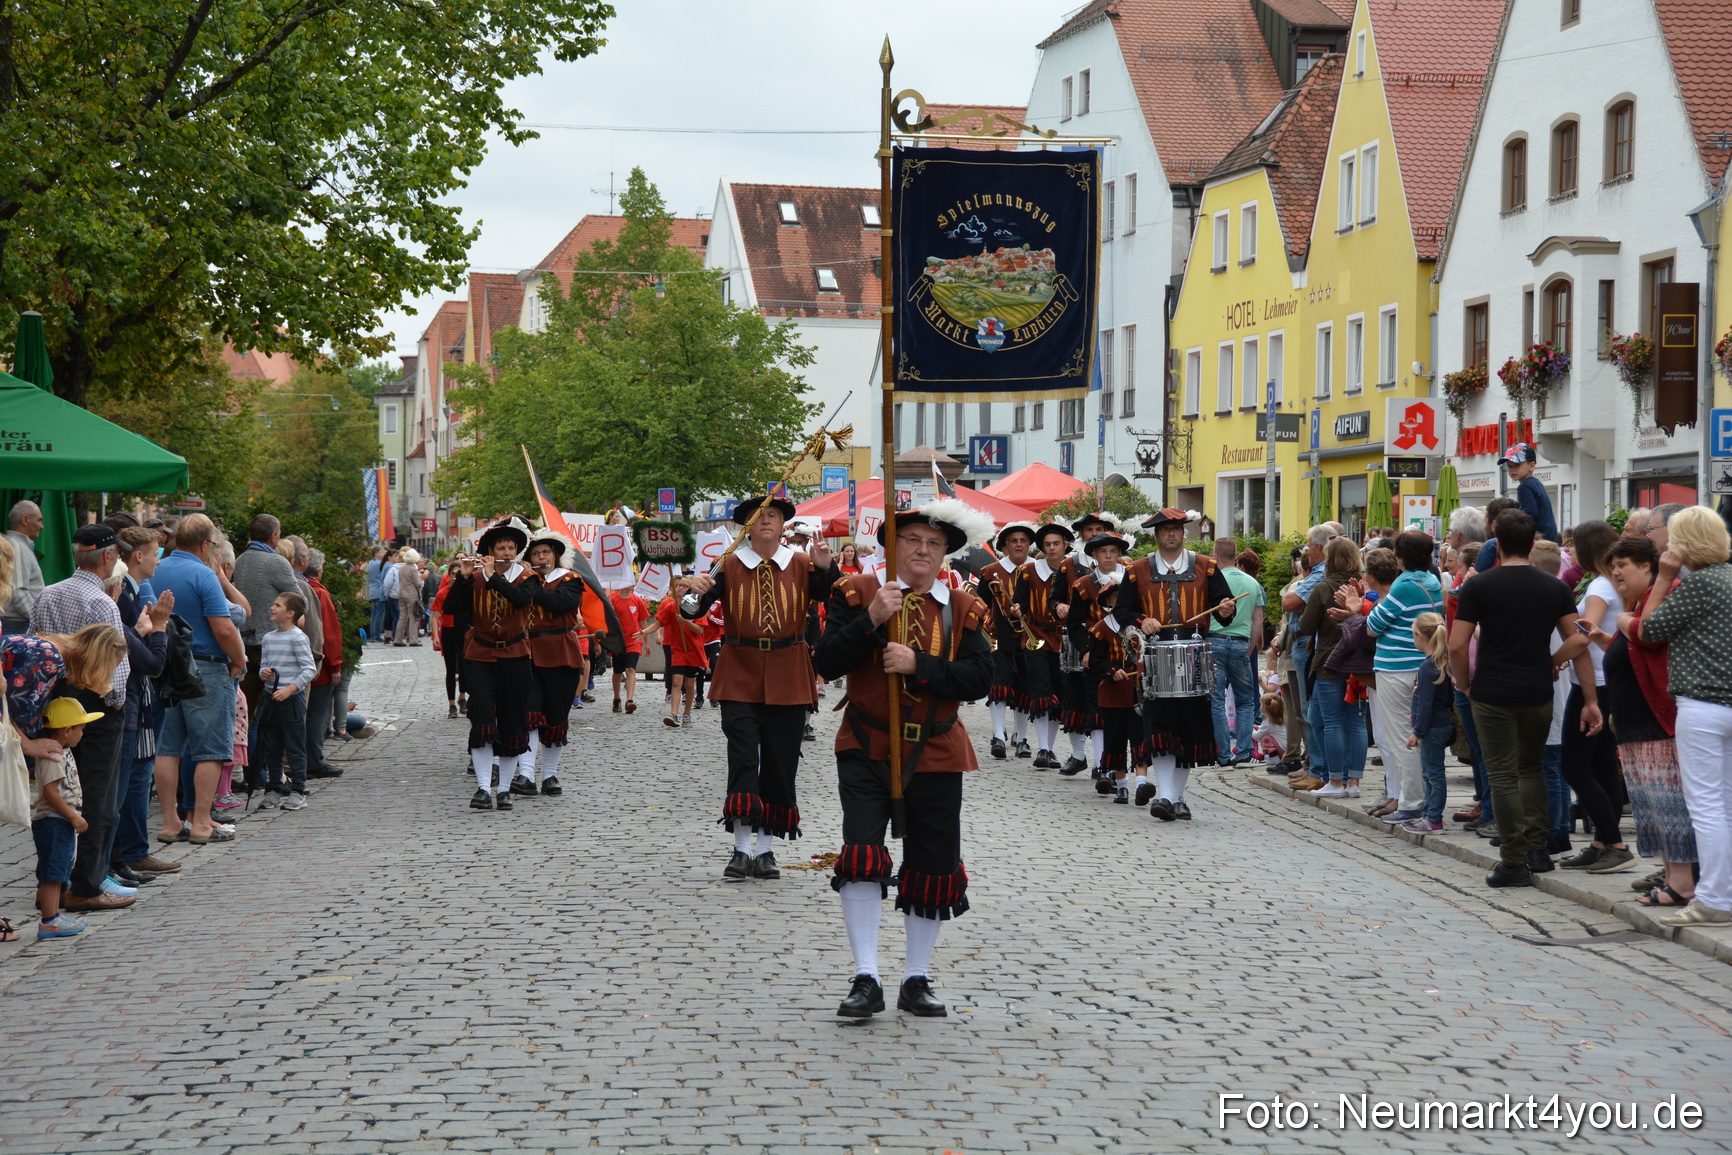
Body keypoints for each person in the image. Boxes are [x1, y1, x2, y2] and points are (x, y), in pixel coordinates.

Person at [812, 499, 993, 1020]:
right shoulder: (858, 592)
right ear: (893, 546)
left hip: (937, 748)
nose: (922, 550)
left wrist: (923, 666)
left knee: (932, 865)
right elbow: (826, 661)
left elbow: (982, 679)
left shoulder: (963, 609)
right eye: (912, 540)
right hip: (868, 744)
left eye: (933, 544)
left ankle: (916, 977)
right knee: (862, 855)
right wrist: (872, 620)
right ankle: (865, 975)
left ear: (945, 555)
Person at [678, 494, 838, 879]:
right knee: (745, 758)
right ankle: (740, 849)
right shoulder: (729, 564)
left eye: (772, 516)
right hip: (739, 671)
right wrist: (691, 589)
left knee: (781, 764)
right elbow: (692, 609)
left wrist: (828, 569)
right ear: (745, 527)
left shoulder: (801, 563)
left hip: (789, 672)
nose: (765, 521)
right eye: (757, 516)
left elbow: (839, 598)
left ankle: (766, 851)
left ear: (783, 526)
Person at [1449, 510, 1600, 888]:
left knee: (1502, 773)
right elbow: (1580, 638)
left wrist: (1464, 683)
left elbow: (1455, 644)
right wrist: (1553, 661)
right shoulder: (1554, 587)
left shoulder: (1479, 586)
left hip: (1493, 689)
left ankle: (1513, 860)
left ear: (1497, 544)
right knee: (1532, 768)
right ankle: (1538, 849)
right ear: (1533, 543)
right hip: (1536, 689)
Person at [28, 523, 136, 910]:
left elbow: (33, 644)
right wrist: (118, 702)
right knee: (97, 796)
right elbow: (116, 670)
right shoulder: (103, 602)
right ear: (106, 556)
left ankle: (55, 881)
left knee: (56, 790)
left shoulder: (47, 594)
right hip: (95, 705)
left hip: (57, 703)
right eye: (118, 554)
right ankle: (86, 885)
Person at [1635, 506, 1732, 927]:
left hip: (1702, 706)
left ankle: (1715, 898)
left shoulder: (1698, 584)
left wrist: (1661, 579)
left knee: (1707, 806)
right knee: (1725, 803)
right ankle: (1722, 892)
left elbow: (1648, 630)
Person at [1589, 537, 1695, 907]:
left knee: (1669, 806)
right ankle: (1672, 877)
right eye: (1613, 566)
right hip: (1635, 728)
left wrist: (1621, 620)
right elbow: (1634, 651)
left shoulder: (1665, 594)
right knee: (1652, 806)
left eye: (1623, 565)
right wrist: (1607, 638)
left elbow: (1648, 639)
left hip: (1657, 723)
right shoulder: (1638, 604)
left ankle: (1682, 882)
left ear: (1648, 567)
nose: (1616, 572)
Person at [1116, 508, 1237, 820]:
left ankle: (1174, 797)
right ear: (1156, 534)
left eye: (1176, 529)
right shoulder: (1137, 570)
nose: (1171, 534)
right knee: (1160, 728)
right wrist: (1143, 620)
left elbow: (1224, 606)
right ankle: (1170, 797)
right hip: (1154, 656)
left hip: (1194, 655)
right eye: (1165, 529)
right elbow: (1123, 611)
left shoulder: (1207, 567)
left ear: (1184, 533)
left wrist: (1224, 610)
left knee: (1188, 728)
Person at [1334, 531, 1443, 826]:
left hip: (1397, 667)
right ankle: (1418, 799)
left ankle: (1411, 802)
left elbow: (1373, 626)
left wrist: (1357, 611)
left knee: (1400, 738)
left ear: (1401, 557)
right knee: (1415, 735)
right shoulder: (1432, 581)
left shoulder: (1405, 585)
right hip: (1419, 663)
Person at [152, 514, 248, 848]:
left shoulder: (156, 568)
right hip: (205, 667)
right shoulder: (204, 575)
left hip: (164, 667)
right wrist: (238, 660)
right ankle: (202, 822)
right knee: (209, 750)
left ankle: (169, 821)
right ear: (206, 545)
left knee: (167, 746)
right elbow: (223, 627)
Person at [1546, 519, 1632, 871]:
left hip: (1593, 684)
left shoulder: (1598, 586)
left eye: (1574, 545)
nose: (1570, 551)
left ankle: (1614, 842)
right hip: (1609, 679)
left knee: (1574, 766)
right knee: (1602, 766)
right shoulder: (1615, 583)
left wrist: (1553, 660)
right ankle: (1601, 842)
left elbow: (1583, 634)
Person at [456, 517, 536, 811]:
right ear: (489, 551)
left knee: (513, 721)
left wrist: (494, 577)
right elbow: (453, 609)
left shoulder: (528, 578)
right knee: (482, 721)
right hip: (480, 656)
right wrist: (464, 578)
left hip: (515, 656)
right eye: (500, 547)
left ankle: (504, 790)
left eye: (510, 547)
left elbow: (518, 599)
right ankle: (482, 788)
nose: (505, 551)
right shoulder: (475, 578)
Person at [107, 526, 171, 888]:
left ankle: (122, 857)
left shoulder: (129, 590)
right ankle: (117, 859)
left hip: (132, 696)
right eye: (155, 552)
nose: (159, 559)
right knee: (124, 783)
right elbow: (136, 653)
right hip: (125, 697)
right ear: (137, 556)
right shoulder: (121, 593)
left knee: (131, 777)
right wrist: (155, 629)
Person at [511, 529, 588, 796]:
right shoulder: (522, 580)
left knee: (556, 717)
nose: (542, 557)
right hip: (527, 652)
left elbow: (559, 604)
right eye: (536, 553)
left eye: (546, 553)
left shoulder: (571, 580)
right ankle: (526, 775)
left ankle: (550, 776)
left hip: (560, 652)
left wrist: (531, 581)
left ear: (555, 556)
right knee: (529, 714)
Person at [31, 697, 106, 939]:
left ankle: (52, 917)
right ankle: (50, 920)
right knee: (54, 873)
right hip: (55, 820)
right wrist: (72, 816)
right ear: (66, 730)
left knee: (57, 869)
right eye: (80, 728)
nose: (83, 733)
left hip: (58, 820)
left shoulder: (63, 750)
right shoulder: (53, 756)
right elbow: (49, 793)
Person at [1074, 531, 1139, 803]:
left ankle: (1128, 773)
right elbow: (1074, 622)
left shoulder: (1133, 579)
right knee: (1101, 714)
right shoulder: (1083, 584)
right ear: (1094, 556)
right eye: (1103, 552)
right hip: (1099, 655)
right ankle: (1104, 766)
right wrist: (1087, 650)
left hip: (1131, 661)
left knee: (1134, 721)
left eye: (1113, 551)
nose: (1109, 557)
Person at [1299, 537, 1366, 796]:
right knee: (1356, 723)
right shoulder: (1360, 586)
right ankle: (1355, 782)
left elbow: (1305, 625)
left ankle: (1336, 781)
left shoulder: (1324, 587)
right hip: (1358, 662)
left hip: (1329, 660)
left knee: (1332, 723)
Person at [1055, 513, 1114, 775]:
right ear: (1083, 535)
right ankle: (1078, 754)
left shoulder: (1125, 569)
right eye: (1089, 529)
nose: (1093, 532)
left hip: (1115, 648)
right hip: (1082, 642)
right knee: (1076, 700)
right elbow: (1054, 598)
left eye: (1098, 528)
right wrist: (1058, 606)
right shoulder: (1069, 566)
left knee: (1108, 706)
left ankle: (1108, 764)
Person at [232, 514, 302, 728]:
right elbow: (300, 601)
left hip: (242, 643)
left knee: (245, 714)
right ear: (273, 536)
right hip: (269, 647)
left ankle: (248, 760)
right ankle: (265, 759)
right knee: (275, 714)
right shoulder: (276, 562)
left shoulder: (240, 559)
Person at [252, 591, 316, 810]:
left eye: (277, 605)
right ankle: (273, 788)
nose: (272, 607)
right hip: (271, 699)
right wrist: (264, 673)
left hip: (291, 700)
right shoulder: (269, 638)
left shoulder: (298, 637)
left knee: (295, 745)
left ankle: (299, 789)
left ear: (290, 613)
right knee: (272, 746)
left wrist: (290, 689)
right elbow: (264, 665)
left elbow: (309, 669)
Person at [1017, 520, 1072, 771]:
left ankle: (1049, 748)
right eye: (1047, 544)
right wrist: (1014, 610)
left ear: (1065, 545)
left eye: (1056, 544)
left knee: (1059, 693)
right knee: (1040, 691)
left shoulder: (1076, 570)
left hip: (1065, 639)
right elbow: (1018, 604)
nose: (1052, 548)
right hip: (1036, 635)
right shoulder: (1029, 572)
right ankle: (1042, 748)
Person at [980, 521, 1036, 761]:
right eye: (1013, 540)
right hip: (999, 635)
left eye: (1023, 540)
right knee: (999, 686)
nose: (1019, 544)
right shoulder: (990, 570)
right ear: (1004, 547)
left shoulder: (1037, 569)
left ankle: (1022, 738)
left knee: (1024, 688)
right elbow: (980, 602)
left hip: (1030, 636)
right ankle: (998, 737)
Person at [1208, 537, 1264, 766]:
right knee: (1246, 700)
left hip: (1214, 641)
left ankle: (1222, 754)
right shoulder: (1253, 583)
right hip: (1241, 643)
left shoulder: (1212, 581)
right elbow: (1258, 620)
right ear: (1235, 555)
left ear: (1215, 555)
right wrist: (1249, 648)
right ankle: (1243, 752)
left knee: (1216, 700)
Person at [1401, 614, 1454, 833]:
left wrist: (1417, 730)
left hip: (1432, 727)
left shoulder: (1426, 667)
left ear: (1419, 636)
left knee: (1433, 774)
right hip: (1440, 723)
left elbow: (1425, 702)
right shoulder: (1440, 662)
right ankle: (1428, 815)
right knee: (1431, 773)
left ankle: (1433, 818)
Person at [657, 586, 707, 728]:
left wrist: (684, 621)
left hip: (693, 650)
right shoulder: (671, 606)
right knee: (677, 681)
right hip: (678, 649)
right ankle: (674, 714)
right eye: (679, 586)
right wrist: (645, 632)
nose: (681, 588)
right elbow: (659, 623)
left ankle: (686, 713)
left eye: (684, 586)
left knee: (690, 684)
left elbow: (699, 630)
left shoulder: (697, 606)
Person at [432, 561, 470, 719]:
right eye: (453, 574)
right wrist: (435, 635)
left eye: (458, 574)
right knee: (450, 669)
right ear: (448, 576)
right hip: (448, 632)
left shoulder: (467, 591)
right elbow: (435, 615)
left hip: (463, 632)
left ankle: (462, 697)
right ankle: (451, 704)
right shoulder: (443, 593)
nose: (455, 577)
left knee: (464, 667)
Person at [1, 499, 44, 634]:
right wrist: (40, 620)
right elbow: (18, 590)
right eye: (39, 520)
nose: (42, 526)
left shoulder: (17, 545)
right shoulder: (16, 546)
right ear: (25, 520)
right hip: (18, 624)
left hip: (17, 623)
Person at [608, 583, 652, 712]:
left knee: (630, 669)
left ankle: (629, 700)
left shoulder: (636, 600)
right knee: (617, 671)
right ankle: (617, 698)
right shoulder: (613, 598)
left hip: (634, 640)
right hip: (618, 641)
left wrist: (647, 642)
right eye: (630, 583)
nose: (633, 585)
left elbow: (643, 622)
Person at [393, 548, 423, 646]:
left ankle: (398, 639)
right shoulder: (413, 569)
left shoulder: (401, 568)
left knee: (402, 618)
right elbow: (417, 583)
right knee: (413, 617)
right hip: (411, 595)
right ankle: (413, 639)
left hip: (401, 594)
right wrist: (422, 579)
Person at [365, 546, 392, 642]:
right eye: (382, 552)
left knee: (374, 614)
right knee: (379, 614)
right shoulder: (380, 564)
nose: (384, 553)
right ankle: (376, 635)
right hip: (379, 591)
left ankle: (373, 634)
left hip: (372, 590)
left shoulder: (370, 563)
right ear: (376, 554)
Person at [1252, 693, 1286, 763]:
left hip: (1281, 749)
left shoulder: (1268, 721)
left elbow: (1257, 737)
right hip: (1286, 748)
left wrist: (1250, 729)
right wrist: (1258, 727)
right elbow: (1273, 729)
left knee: (1266, 738)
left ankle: (1274, 760)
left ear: (1264, 708)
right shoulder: (1281, 717)